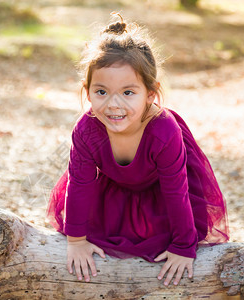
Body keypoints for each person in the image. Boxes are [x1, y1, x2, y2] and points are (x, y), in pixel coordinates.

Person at [46, 14, 229, 287]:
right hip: (114, 190)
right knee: (98, 231)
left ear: (151, 94)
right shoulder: (87, 129)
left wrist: (182, 246)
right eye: (101, 92)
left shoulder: (163, 131)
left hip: (161, 190)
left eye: (128, 92)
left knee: (162, 236)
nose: (114, 105)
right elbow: (80, 184)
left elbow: (175, 191)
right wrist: (76, 241)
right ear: (87, 91)